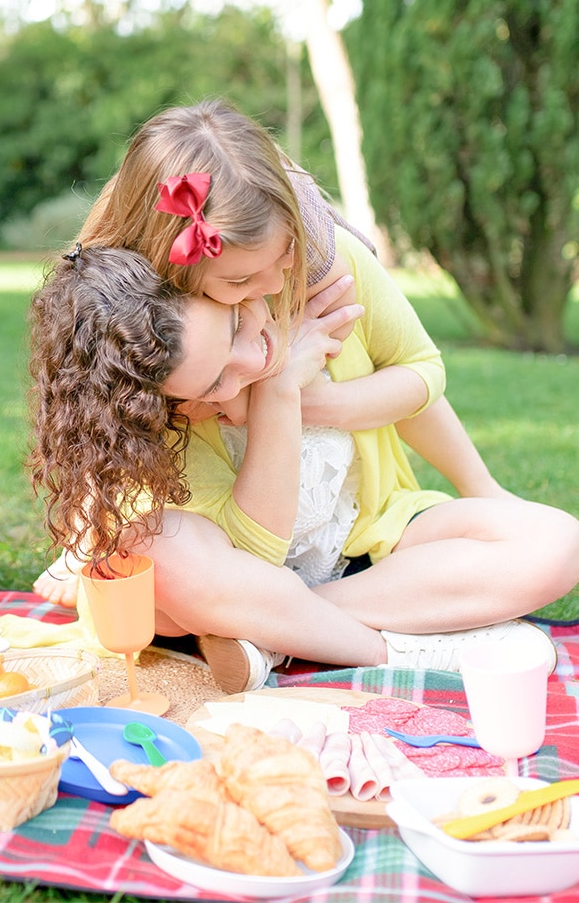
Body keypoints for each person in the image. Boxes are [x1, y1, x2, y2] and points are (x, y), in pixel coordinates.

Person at [18, 244, 579, 692]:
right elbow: (255, 561)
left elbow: (418, 378)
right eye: (214, 382)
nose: (251, 360)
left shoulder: (319, 283)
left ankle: (272, 639)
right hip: (234, 581)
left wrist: (481, 487)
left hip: (364, 542)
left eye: (238, 325)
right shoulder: (165, 393)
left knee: (558, 543)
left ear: (222, 283)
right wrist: (277, 392)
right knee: (158, 549)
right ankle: (395, 649)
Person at [34, 98, 516, 609]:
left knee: (551, 547)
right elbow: (96, 416)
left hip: (355, 525)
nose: (271, 285)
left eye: (285, 254)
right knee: (157, 576)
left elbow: (420, 371)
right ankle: (292, 615)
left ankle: (299, 618)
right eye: (239, 282)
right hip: (226, 542)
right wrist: (89, 525)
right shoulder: (148, 328)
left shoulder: (321, 269)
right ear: (171, 270)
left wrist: (295, 399)